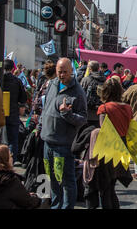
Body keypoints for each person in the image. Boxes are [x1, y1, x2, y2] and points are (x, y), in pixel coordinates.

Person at [39, 58, 88, 209]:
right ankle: (55, 205)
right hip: (48, 140)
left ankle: (66, 207)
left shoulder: (78, 91)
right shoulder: (52, 84)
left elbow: (83, 118)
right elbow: (46, 106)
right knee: (52, 179)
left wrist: (68, 114)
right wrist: (40, 124)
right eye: (59, 72)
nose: (61, 75)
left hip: (64, 144)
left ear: (71, 72)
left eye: (65, 72)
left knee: (67, 181)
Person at [82, 78, 133, 209]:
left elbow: (103, 129)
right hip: (122, 148)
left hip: (106, 150)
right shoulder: (128, 108)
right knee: (110, 187)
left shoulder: (104, 108)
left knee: (104, 188)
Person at [0, 144, 42, 209]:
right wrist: (36, 196)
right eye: (10, 156)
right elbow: (29, 201)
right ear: (4, 161)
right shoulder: (9, 181)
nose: (12, 159)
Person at [2, 59, 27, 164]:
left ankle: (0, 160)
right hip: (12, 113)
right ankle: (11, 161)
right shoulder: (17, 81)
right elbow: (23, 98)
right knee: (13, 139)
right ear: (13, 69)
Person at [81, 61, 106, 127]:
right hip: (101, 113)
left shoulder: (86, 80)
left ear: (90, 69)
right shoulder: (104, 79)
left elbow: (81, 95)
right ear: (98, 68)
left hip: (88, 113)